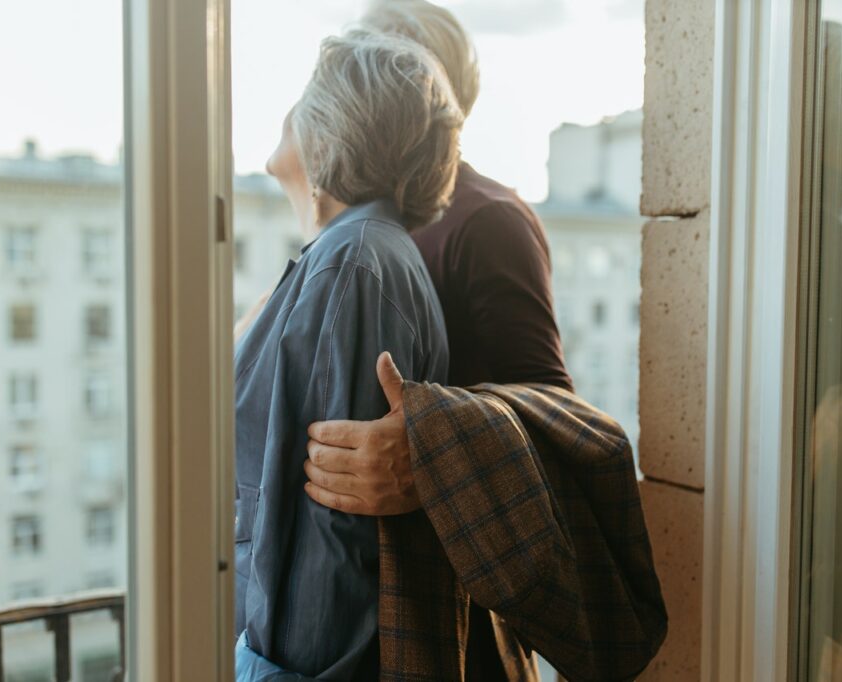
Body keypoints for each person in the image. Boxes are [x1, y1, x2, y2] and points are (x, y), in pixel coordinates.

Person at [302, 3, 665, 681]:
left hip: (447, 629)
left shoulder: (488, 219)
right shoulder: (352, 228)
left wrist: (432, 451)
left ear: (424, 82)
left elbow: (563, 418)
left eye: (374, 59)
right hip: (345, 616)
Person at [232, 29, 462, 680]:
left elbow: (328, 531)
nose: (286, 114)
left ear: (338, 126)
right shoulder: (355, 255)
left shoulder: (354, 264)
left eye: (305, 97)